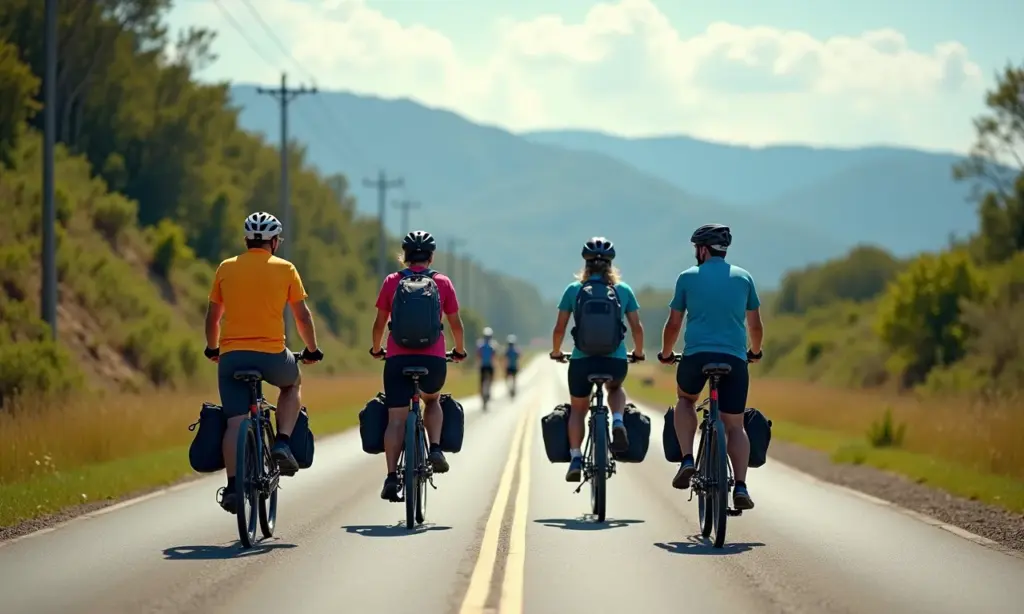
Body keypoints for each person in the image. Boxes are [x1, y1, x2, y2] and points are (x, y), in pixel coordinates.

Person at [204, 211, 324, 514]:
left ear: (246, 240)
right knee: (292, 383)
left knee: (234, 421)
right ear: (274, 242)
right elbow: (302, 316)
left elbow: (212, 318)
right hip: (272, 355)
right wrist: (312, 349)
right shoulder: (286, 269)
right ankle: (282, 441)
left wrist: (212, 348)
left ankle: (232, 487)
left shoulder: (225, 268)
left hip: (231, 357)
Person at [657, 223, 763, 511]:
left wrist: (666, 353)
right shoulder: (744, 278)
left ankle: (688, 459)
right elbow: (755, 324)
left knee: (685, 400)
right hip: (734, 359)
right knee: (735, 425)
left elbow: (674, 324)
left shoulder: (687, 277)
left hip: (696, 357)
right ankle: (740, 485)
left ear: (702, 250)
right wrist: (754, 352)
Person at [370, 230, 468, 502]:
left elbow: (379, 324)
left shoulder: (392, 281)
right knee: (433, 400)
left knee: (396, 418)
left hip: (398, 359)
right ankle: (435, 448)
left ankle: (391, 477)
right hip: (433, 359)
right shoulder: (442, 282)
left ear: (404, 256)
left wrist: (377, 349)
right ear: (431, 256)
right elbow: (456, 325)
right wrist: (459, 351)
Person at [550, 237, 645, 482]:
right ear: (611, 265)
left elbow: (560, 328)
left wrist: (556, 352)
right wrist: (639, 352)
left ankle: (575, 457)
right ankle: (617, 420)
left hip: (582, 362)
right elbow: (637, 327)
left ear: (586, 264)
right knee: (616, 387)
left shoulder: (574, 290)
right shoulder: (623, 291)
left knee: (578, 410)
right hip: (614, 361)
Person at [477, 326, 497, 400]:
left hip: (483, 365)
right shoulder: (493, 345)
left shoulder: (480, 344)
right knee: (491, 379)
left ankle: (481, 393)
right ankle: (488, 391)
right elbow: (494, 356)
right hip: (490, 365)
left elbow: (478, 355)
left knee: (481, 381)